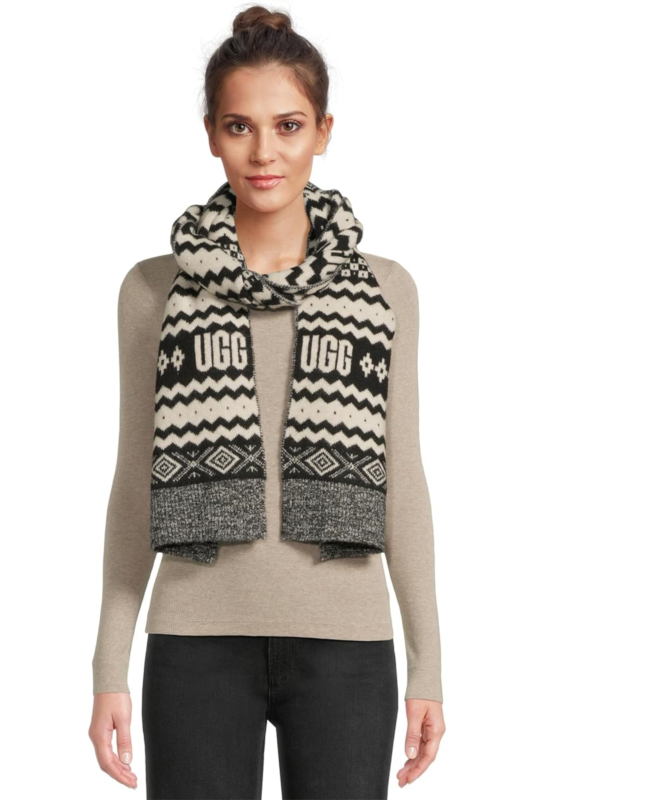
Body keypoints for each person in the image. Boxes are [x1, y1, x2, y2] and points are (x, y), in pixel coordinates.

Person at [88, 5, 445, 798]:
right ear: (211, 135)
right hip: (194, 644)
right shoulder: (153, 291)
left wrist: (428, 667)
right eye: (239, 126)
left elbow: (404, 482)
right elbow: (134, 481)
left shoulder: (386, 290)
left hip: (348, 648)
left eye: (287, 126)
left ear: (323, 131)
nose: (264, 152)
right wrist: (109, 664)